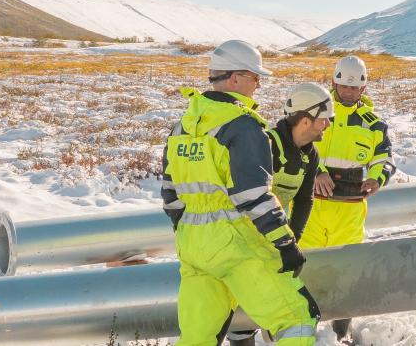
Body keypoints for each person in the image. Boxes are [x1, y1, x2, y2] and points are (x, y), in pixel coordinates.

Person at [160, 39, 319, 346]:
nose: (258, 84)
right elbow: (252, 194)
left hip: (192, 246)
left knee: (198, 337)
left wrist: (193, 230)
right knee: (297, 319)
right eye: (254, 77)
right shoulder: (243, 125)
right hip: (235, 245)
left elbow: (170, 193)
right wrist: (285, 242)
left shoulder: (183, 126)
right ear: (234, 78)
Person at [226, 83, 336, 346]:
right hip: (243, 236)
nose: (328, 126)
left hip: (274, 236)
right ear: (306, 120)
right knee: (240, 309)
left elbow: (304, 200)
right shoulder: (267, 144)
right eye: (325, 120)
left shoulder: (311, 155)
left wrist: (290, 242)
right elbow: (247, 195)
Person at [302, 55, 394, 343]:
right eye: (344, 86)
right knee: (305, 268)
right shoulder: (314, 113)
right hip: (311, 207)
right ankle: (302, 329)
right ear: (333, 83)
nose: (349, 93)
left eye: (355, 89)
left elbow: (384, 158)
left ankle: (340, 333)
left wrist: (377, 178)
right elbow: (296, 146)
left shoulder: (374, 124)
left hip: (350, 211)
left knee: (346, 270)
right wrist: (316, 171)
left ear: (364, 90)